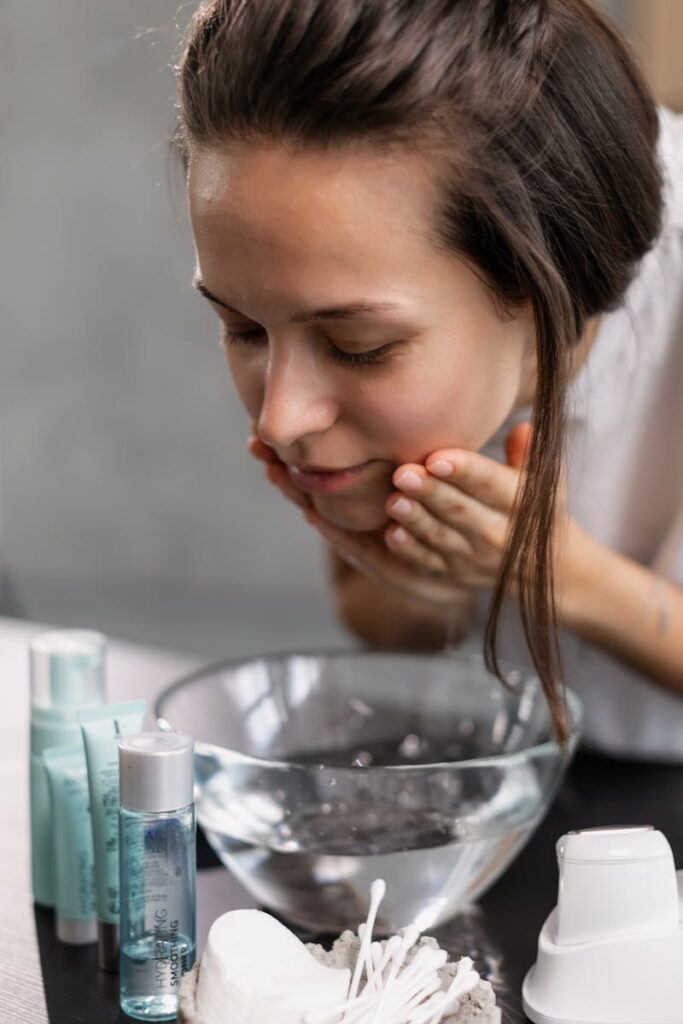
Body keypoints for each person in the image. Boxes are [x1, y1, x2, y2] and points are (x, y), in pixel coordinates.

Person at [176, 0, 683, 758]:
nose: (279, 421)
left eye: (357, 346)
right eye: (243, 328)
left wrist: (559, 576)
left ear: (544, 283)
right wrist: (427, 572)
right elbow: (378, 621)